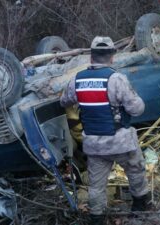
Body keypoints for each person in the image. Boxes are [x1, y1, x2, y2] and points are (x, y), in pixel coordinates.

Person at [60, 36, 150, 224]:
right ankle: (140, 206)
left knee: (96, 186)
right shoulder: (116, 79)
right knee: (135, 170)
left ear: (91, 57)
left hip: (94, 145)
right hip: (120, 142)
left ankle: (97, 217)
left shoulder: (76, 79)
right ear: (112, 57)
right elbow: (136, 109)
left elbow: (64, 101)